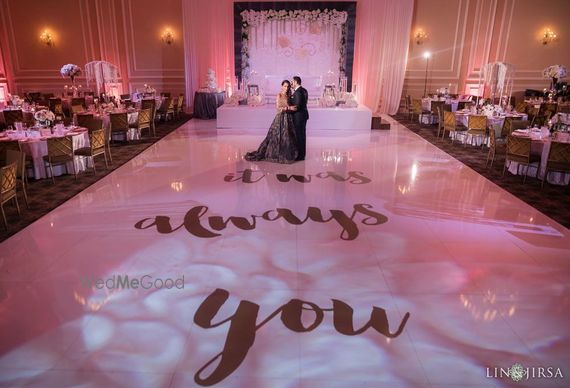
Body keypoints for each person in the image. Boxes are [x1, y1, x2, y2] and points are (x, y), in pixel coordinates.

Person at [244, 80, 299, 163]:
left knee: (287, 137)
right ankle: (276, 155)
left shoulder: (288, 95)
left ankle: (287, 154)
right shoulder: (279, 95)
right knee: (277, 137)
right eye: (285, 86)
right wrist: (288, 108)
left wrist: (293, 107)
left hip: (288, 118)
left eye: (287, 86)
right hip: (280, 118)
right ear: (281, 86)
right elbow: (278, 108)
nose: (286, 88)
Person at [288, 76, 309, 161]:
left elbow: (297, 106)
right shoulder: (304, 90)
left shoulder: (297, 92)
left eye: (292, 81)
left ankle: (300, 156)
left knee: (299, 136)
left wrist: (287, 109)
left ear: (296, 82)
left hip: (298, 117)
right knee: (302, 136)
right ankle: (301, 154)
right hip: (303, 116)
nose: (291, 83)